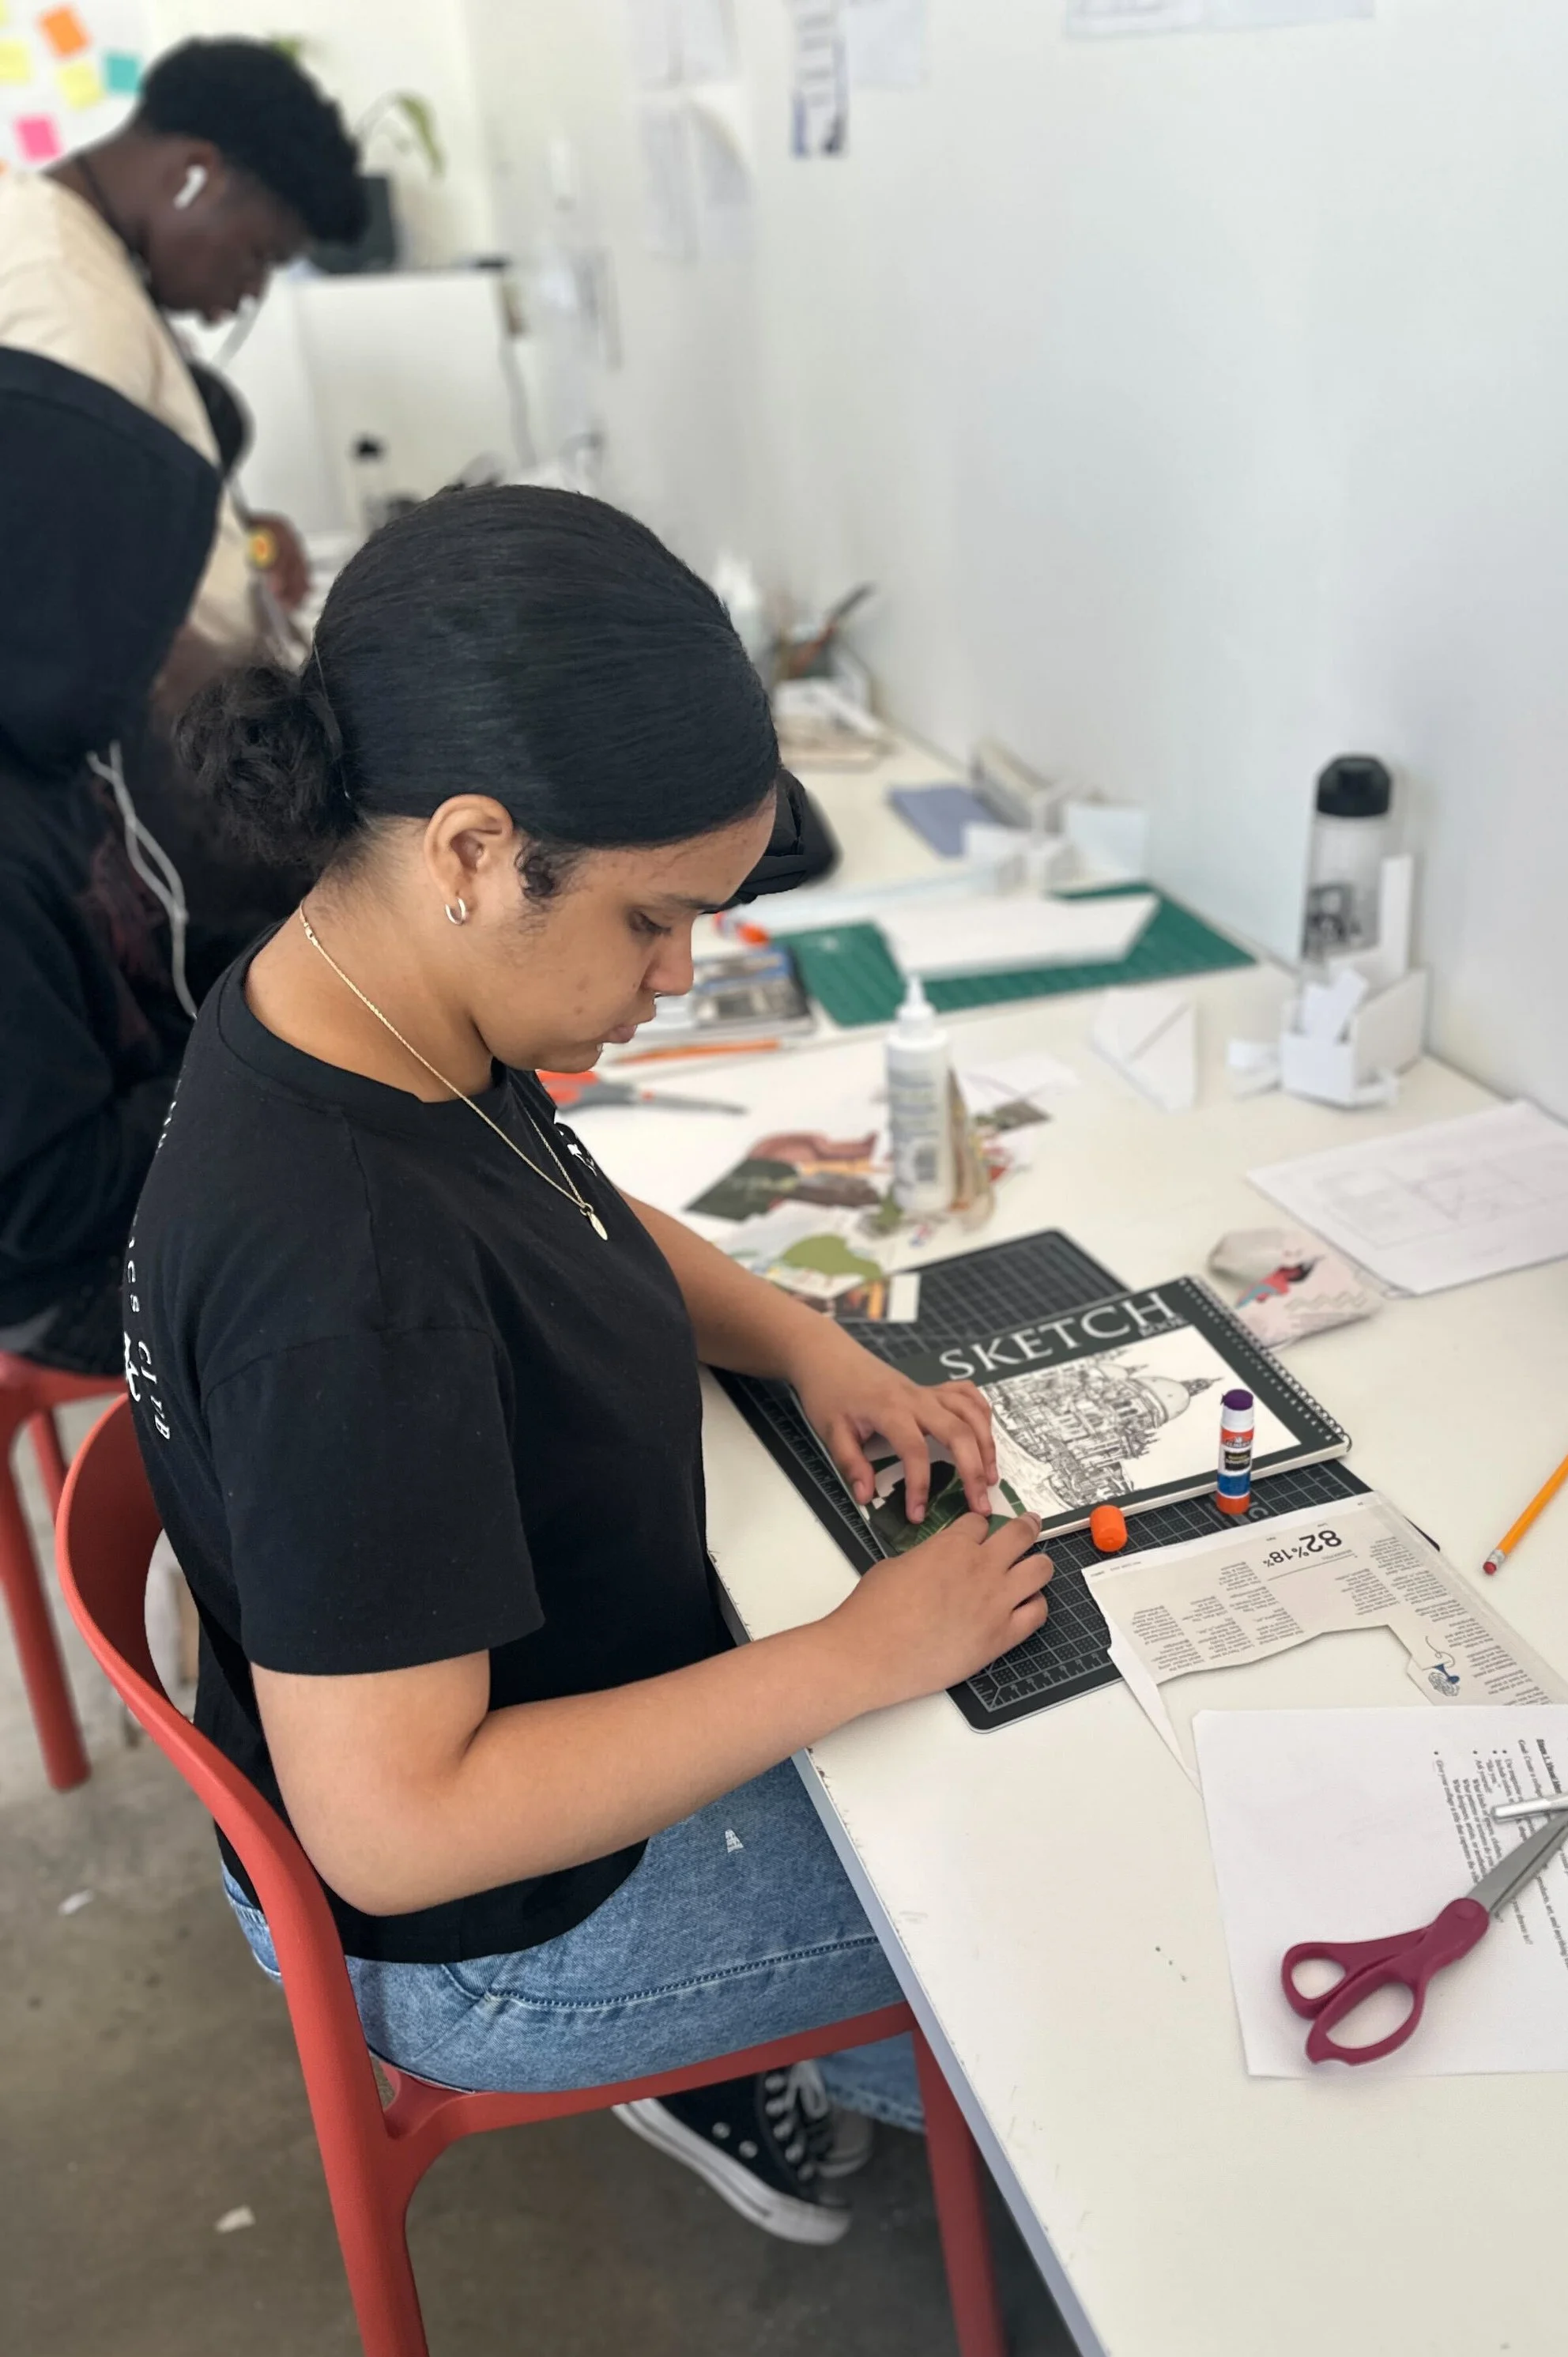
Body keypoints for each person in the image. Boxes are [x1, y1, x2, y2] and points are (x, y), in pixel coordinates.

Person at [128, 488, 1057, 2244]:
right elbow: (398, 1828)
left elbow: (569, 1210)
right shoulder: (346, 1279)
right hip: (500, 1927)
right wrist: (851, 1656)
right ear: (475, 850)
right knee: (1028, 1861)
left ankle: (842, 2049)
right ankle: (739, 2054)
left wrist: (801, 1340)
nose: (677, 972)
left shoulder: (370, 990)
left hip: (517, 1733)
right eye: (652, 921)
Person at [0, 38, 366, 672]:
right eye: (259, 255)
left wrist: (235, 542)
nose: (250, 293)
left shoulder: (74, 257)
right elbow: (66, 615)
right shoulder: (69, 296)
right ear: (196, 174)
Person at [0, 349, 220, 1377]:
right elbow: (47, 1201)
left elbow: (174, 943)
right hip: (63, 1275)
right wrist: (265, 1056)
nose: (167, 640)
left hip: (147, 1149)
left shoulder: (60, 736)